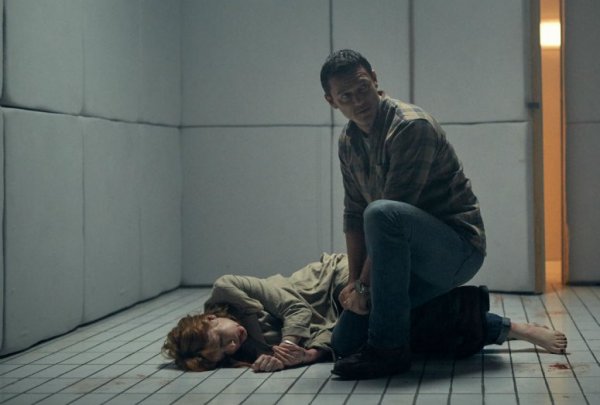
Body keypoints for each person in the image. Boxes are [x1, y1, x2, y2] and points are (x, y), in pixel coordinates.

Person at [320, 49, 488, 379]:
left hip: (456, 250)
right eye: (346, 96)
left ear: (375, 79)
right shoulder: (348, 140)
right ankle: (466, 309)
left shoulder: (410, 127)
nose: (358, 101)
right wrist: (355, 285)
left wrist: (364, 289)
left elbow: (388, 215)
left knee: (382, 212)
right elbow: (353, 214)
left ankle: (389, 351)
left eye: (363, 88)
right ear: (332, 101)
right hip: (403, 257)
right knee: (345, 342)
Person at [162, 254, 567, 373]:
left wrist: (285, 343)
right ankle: (502, 328)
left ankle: (511, 327)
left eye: (222, 338)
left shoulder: (230, 290)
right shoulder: (247, 352)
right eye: (223, 353)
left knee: (395, 313)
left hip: (338, 280)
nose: (232, 345)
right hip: (335, 319)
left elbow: (295, 308)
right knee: (405, 338)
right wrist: (305, 355)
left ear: (210, 318)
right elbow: (321, 333)